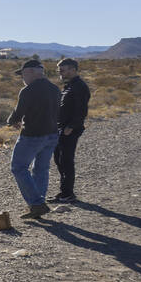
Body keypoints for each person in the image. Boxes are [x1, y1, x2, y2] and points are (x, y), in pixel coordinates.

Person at [6, 59, 61, 219]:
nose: (22, 78)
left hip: (33, 135)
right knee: (41, 169)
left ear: (30, 72)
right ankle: (39, 203)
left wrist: (11, 120)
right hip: (52, 134)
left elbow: (18, 111)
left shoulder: (28, 90)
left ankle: (36, 204)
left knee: (19, 167)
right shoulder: (55, 88)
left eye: (22, 74)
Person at [51, 58, 90, 203]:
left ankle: (68, 194)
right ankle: (64, 192)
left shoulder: (79, 87)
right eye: (59, 69)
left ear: (73, 70)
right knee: (59, 159)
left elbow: (81, 110)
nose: (59, 72)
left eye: (63, 69)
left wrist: (71, 127)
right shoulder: (69, 86)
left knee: (66, 161)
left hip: (70, 130)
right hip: (61, 128)